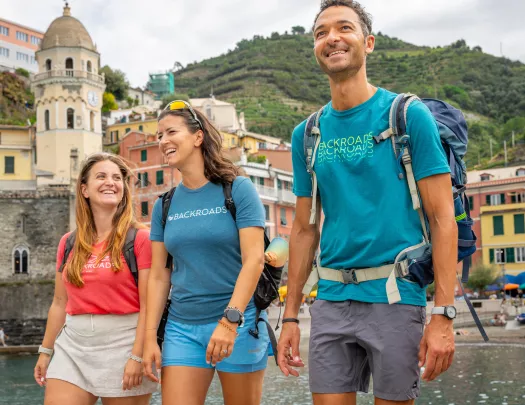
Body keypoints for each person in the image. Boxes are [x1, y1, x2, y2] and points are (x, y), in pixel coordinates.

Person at [277, 1, 457, 404]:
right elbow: (304, 230)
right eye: (321, 33)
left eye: (344, 28)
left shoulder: (407, 116)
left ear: (368, 43)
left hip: (394, 297)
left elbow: (443, 218)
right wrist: (289, 315)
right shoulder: (306, 134)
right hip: (330, 301)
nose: (332, 38)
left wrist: (444, 314)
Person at [142, 100, 269, 405]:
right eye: (159, 136)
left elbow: (255, 259)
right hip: (181, 328)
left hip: (237, 323)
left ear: (198, 137)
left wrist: (229, 322)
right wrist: (148, 338)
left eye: (171, 131)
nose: (163, 141)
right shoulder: (165, 204)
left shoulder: (237, 189)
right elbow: (159, 276)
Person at [34, 153, 157, 405]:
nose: (110, 182)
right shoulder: (68, 243)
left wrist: (136, 355)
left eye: (116, 178)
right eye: (100, 176)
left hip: (124, 345)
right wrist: (46, 352)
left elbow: (149, 304)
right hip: (73, 347)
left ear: (124, 189)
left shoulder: (141, 239)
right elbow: (59, 302)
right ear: (84, 189)